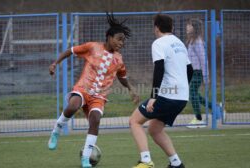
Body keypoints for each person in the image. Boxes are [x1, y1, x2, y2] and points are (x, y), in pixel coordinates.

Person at [48, 13, 139, 168]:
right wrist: (55, 63)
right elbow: (71, 50)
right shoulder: (92, 47)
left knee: (95, 120)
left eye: (123, 40)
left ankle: (85, 158)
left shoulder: (119, 60)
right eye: (119, 39)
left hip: (99, 96)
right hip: (83, 88)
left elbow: (122, 77)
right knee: (72, 105)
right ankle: (57, 130)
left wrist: (131, 88)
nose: (121, 43)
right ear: (109, 37)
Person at [129, 14, 193, 168]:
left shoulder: (158, 43)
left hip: (167, 96)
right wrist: (181, 89)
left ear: (156, 27)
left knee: (134, 121)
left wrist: (153, 97)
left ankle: (146, 161)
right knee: (154, 129)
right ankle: (176, 163)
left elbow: (159, 69)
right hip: (182, 97)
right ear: (171, 28)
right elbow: (190, 70)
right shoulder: (179, 43)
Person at [186, 18, 211, 128]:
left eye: (189, 25)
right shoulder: (191, 41)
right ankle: (216, 108)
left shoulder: (198, 42)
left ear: (194, 28)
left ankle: (198, 119)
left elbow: (203, 60)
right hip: (192, 72)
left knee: (192, 94)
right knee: (194, 94)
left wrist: (206, 77)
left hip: (198, 72)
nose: (187, 27)